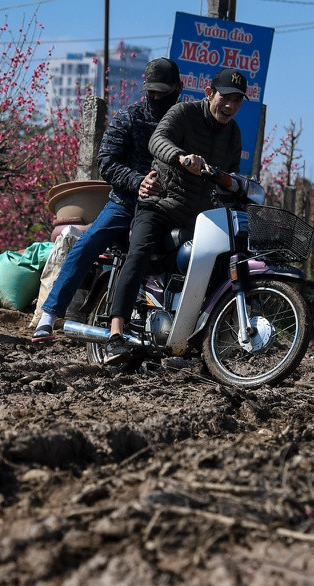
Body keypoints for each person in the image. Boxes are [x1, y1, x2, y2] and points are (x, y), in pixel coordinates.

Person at [32, 57, 184, 342]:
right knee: (87, 244)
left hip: (169, 209)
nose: (155, 97)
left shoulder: (187, 124)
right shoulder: (130, 117)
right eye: (151, 92)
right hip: (124, 205)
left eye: (162, 92)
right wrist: (137, 182)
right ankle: (49, 316)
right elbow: (107, 162)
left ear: (179, 88)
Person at [103, 68, 246, 364]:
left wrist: (232, 184)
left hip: (199, 219)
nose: (230, 106)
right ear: (209, 93)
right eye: (225, 98)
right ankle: (115, 334)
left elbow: (231, 175)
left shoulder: (233, 134)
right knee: (139, 252)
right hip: (160, 206)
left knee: (221, 266)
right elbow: (158, 141)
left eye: (237, 101)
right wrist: (180, 156)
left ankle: (202, 341)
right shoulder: (183, 113)